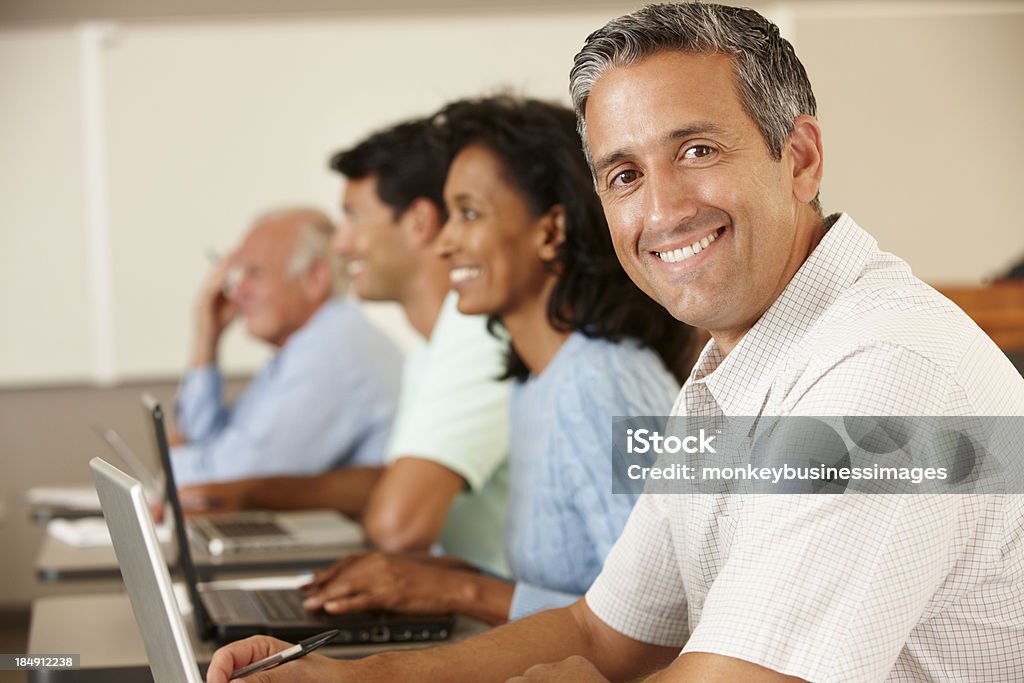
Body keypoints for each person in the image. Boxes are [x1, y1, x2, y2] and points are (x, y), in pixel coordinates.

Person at [205, 4, 1024, 682]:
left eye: (696, 150)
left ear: (800, 157)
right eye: (625, 175)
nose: (662, 209)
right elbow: (603, 633)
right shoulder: (735, 363)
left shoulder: (887, 371)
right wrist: (342, 676)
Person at [299, 97, 691, 625]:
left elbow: (663, 620)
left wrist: (462, 591)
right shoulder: (533, 382)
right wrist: (444, 580)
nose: (444, 244)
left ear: (551, 231)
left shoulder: (600, 382)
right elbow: (578, 587)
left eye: (468, 214)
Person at [180, 121, 511, 575]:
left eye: (353, 217)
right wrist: (248, 493)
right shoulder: (428, 351)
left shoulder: (474, 338)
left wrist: (241, 490)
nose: (339, 243)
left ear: (417, 223)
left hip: (506, 614)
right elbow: (384, 482)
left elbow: (397, 527)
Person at [170, 208, 402, 486]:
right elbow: (208, 441)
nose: (237, 292)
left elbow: (224, 483)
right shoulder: (304, 347)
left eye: (254, 273)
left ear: (315, 277)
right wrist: (206, 340)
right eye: (237, 274)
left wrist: (173, 457)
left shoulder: (329, 352)